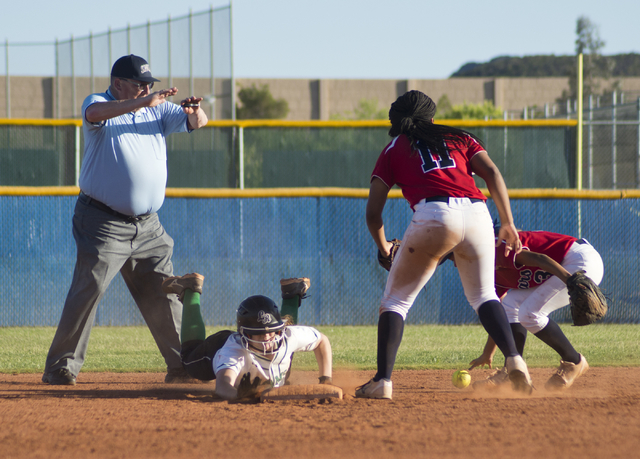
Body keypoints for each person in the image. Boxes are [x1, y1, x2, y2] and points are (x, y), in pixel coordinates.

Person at [42, 54, 209, 385]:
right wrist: (144, 101)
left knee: (165, 292)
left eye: (150, 84)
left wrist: (194, 111)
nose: (148, 88)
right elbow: (93, 114)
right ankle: (61, 366)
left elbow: (198, 123)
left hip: (149, 227)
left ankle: (183, 366)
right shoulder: (100, 103)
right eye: (140, 84)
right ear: (118, 83)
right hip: (103, 222)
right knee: (88, 290)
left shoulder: (157, 109)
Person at [356, 90, 531, 400]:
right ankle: (516, 360)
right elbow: (491, 172)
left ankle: (382, 381)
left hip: (434, 215)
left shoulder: (393, 148)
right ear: (432, 118)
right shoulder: (459, 137)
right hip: (478, 214)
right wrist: (508, 222)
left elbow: (373, 214)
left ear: (395, 122)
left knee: (395, 302)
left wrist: (384, 248)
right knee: (484, 295)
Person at [465, 230, 604, 391]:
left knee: (530, 313)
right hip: (566, 267)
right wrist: (488, 353)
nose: (457, 263)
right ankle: (513, 370)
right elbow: (499, 316)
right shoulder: (490, 274)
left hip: (578, 262)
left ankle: (574, 361)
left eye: (455, 256)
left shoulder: (496, 247)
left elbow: (540, 259)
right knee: (510, 304)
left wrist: (571, 280)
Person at [161, 273, 333, 400]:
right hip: (217, 347)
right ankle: (191, 290)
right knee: (189, 360)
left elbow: (322, 341)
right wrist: (242, 396)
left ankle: (292, 295)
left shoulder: (288, 336)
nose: (267, 339)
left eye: (271, 331)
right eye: (258, 335)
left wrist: (326, 379)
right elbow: (222, 386)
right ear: (245, 334)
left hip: (264, 350)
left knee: (284, 367)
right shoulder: (233, 353)